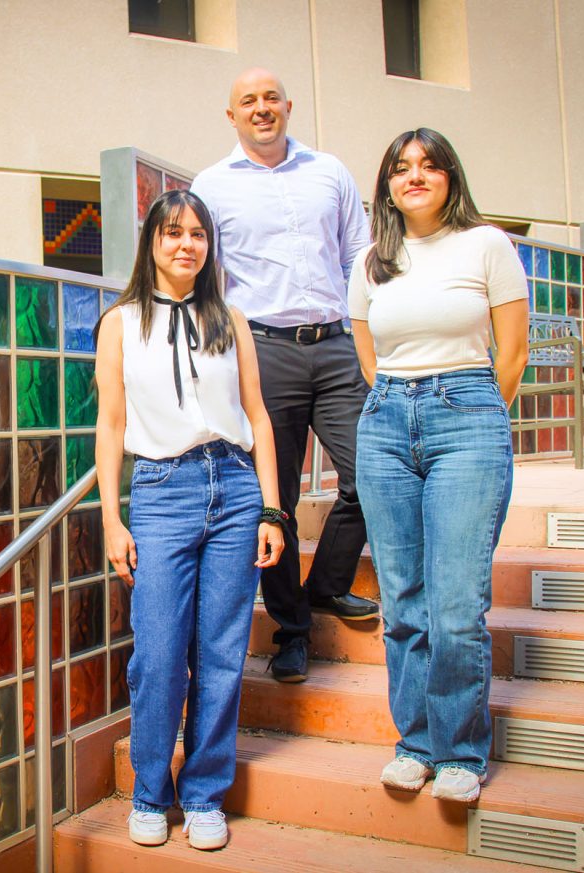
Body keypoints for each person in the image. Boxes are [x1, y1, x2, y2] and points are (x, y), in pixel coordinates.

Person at [94, 189, 284, 849]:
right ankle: (151, 791)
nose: (186, 244)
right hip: (161, 490)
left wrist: (272, 507)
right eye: (173, 232)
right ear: (151, 241)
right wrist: (112, 520)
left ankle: (204, 793)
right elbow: (112, 423)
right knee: (159, 653)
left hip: (233, 485)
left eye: (198, 233)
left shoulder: (230, 317)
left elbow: (258, 415)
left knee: (222, 653)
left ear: (209, 245)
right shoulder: (121, 322)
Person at [348, 128, 530, 803]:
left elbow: (511, 352)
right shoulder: (371, 259)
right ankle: (415, 741)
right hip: (388, 422)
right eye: (401, 168)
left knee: (455, 603)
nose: (414, 176)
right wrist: (400, 398)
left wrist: (475, 412)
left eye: (428, 165)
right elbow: (368, 351)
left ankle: (459, 748)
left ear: (451, 176)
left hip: (468, 417)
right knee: (402, 600)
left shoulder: (486, 244)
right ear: (387, 185)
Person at [190, 67, 377, 685]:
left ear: (288, 106)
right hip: (264, 350)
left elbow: (360, 256)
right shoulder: (212, 187)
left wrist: (369, 333)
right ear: (231, 115)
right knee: (278, 498)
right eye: (249, 100)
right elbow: (204, 279)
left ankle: (325, 585)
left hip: (337, 344)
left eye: (271, 98)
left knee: (371, 474)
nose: (262, 108)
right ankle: (292, 630)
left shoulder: (330, 172)